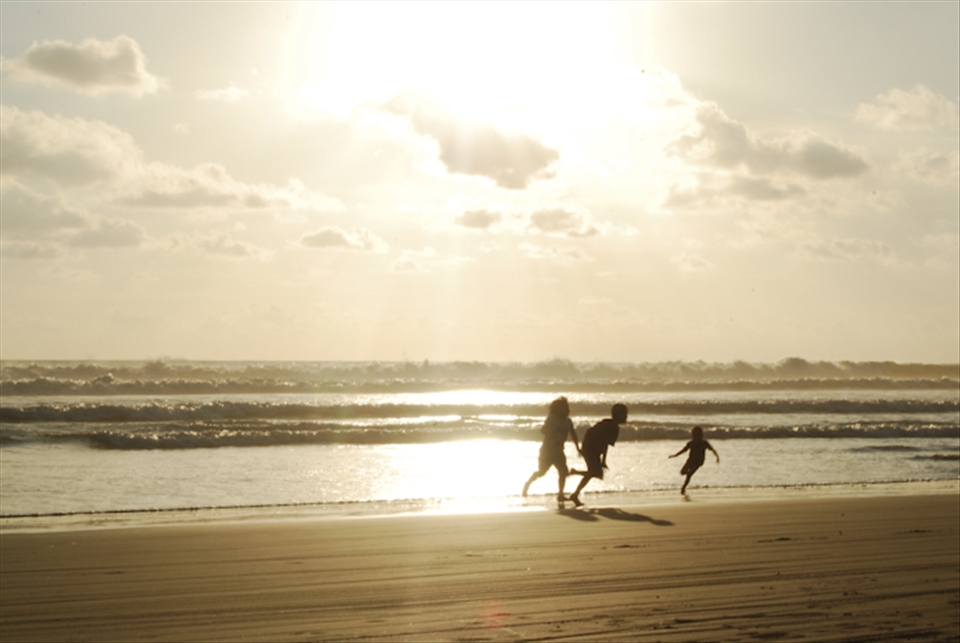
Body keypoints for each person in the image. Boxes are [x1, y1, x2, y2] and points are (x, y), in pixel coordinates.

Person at [568, 403, 628, 507]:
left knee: (596, 473)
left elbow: (604, 443)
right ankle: (575, 494)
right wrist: (602, 460)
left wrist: (603, 460)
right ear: (619, 415)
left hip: (591, 447)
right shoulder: (612, 427)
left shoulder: (609, 424)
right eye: (624, 415)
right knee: (594, 472)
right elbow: (604, 442)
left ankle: (575, 476)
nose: (626, 417)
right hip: (590, 448)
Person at [522, 396, 580, 504]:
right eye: (564, 408)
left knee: (563, 472)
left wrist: (577, 448)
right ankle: (528, 483)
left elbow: (573, 434)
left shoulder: (568, 421)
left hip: (559, 450)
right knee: (542, 472)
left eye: (567, 408)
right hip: (547, 450)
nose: (567, 410)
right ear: (558, 408)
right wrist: (554, 434)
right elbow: (543, 430)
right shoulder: (552, 418)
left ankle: (560, 494)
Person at [669, 426, 719, 494]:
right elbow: (683, 450)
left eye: (696, 434)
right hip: (690, 460)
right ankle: (684, 486)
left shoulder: (704, 443)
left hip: (698, 462)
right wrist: (675, 455)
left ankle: (683, 489)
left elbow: (712, 450)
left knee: (689, 475)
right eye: (693, 434)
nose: (694, 435)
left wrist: (717, 457)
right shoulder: (691, 443)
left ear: (701, 435)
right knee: (682, 472)